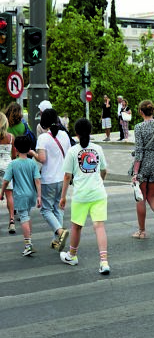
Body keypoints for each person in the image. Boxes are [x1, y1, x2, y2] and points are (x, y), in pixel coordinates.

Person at [58, 118, 110, 275]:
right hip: (98, 193)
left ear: (76, 134)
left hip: (81, 195)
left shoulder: (73, 151)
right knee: (99, 227)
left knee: (76, 226)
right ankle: (104, 262)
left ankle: (72, 255)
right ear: (91, 131)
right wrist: (99, 181)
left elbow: (67, 176)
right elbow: (104, 170)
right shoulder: (98, 148)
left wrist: (63, 197)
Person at [29, 108, 71, 252]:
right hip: (63, 178)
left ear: (43, 121)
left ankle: (60, 232)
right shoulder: (65, 135)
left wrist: (32, 152)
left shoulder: (43, 138)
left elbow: (42, 159)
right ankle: (57, 239)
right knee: (58, 207)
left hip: (49, 178)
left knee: (46, 210)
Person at [130, 100, 154, 239]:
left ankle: (141, 231)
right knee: (152, 197)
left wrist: (135, 173)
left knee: (141, 198)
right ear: (152, 111)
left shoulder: (138, 127)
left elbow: (139, 151)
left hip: (143, 164)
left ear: (141, 112)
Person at [0, 135, 41, 256]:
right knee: (27, 216)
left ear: (16, 148)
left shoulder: (13, 164)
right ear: (29, 149)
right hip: (31, 194)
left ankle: (28, 245)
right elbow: (37, 181)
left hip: (20, 195)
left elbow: (6, 181)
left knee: (23, 217)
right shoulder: (32, 163)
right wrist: (39, 196)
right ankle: (30, 238)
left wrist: (2, 193)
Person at [0, 112, 17, 234]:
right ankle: (11, 221)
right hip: (7, 167)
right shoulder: (11, 137)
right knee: (9, 195)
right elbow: (14, 155)